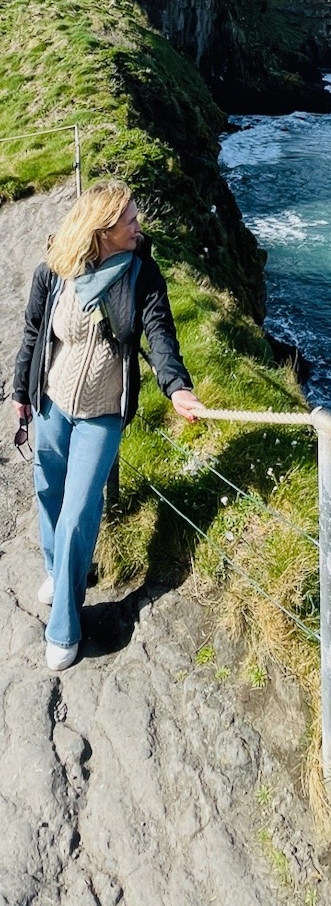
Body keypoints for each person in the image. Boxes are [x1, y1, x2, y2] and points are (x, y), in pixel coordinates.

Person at [12, 180, 204, 672]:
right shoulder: (55, 271)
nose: (139, 226)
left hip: (103, 412)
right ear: (101, 230)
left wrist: (177, 386)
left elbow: (160, 333)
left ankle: (64, 627)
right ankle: (58, 571)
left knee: (78, 513)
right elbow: (34, 333)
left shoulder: (141, 273)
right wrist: (20, 393)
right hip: (52, 403)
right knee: (47, 491)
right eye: (130, 220)